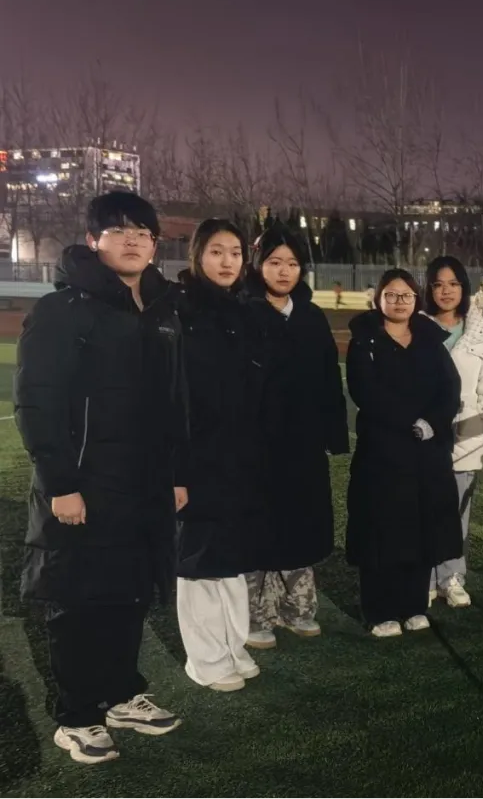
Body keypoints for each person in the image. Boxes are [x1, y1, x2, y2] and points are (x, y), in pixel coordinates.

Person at [13, 191, 185, 764]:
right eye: (118, 230)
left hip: (144, 482)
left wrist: (176, 473)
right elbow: (37, 402)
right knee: (78, 601)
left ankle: (120, 695)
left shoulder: (161, 311)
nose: (133, 239)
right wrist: (60, 483)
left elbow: (175, 402)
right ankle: (77, 716)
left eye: (143, 232)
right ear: (93, 240)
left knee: (130, 592)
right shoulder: (62, 310)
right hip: (84, 483)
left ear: (154, 244)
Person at [244, 223, 350, 650]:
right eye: (274, 262)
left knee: (301, 522)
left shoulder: (310, 316)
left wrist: (334, 434)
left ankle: (298, 608)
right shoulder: (243, 312)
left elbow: (329, 379)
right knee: (259, 527)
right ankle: (257, 614)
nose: (284, 271)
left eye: (292, 263)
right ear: (259, 265)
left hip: (303, 443)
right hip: (257, 444)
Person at [346, 269, 462, 637]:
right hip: (382, 453)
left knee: (420, 528)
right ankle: (379, 611)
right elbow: (366, 392)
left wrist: (432, 422)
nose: (399, 301)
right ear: (378, 298)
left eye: (407, 295)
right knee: (381, 530)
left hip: (426, 452)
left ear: (416, 299)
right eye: (392, 295)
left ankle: (413, 605)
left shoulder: (430, 339)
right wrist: (409, 422)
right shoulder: (365, 340)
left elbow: (450, 388)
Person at [174, 219, 264, 692]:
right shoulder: (181, 309)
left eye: (235, 252)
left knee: (231, 557)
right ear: (197, 255)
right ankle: (206, 660)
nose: (227, 261)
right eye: (216, 251)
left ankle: (233, 646)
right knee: (200, 561)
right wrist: (178, 467)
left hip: (237, 457)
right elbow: (176, 396)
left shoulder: (242, 309)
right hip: (197, 456)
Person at [423, 256, 483, 608]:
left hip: (463, 440)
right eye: (438, 284)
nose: (446, 291)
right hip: (422, 439)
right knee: (422, 511)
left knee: (457, 514)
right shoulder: (415, 327)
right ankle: (425, 576)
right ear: (428, 289)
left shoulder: (482, 333)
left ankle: (452, 578)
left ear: (464, 288)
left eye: (453, 284)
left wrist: (469, 431)